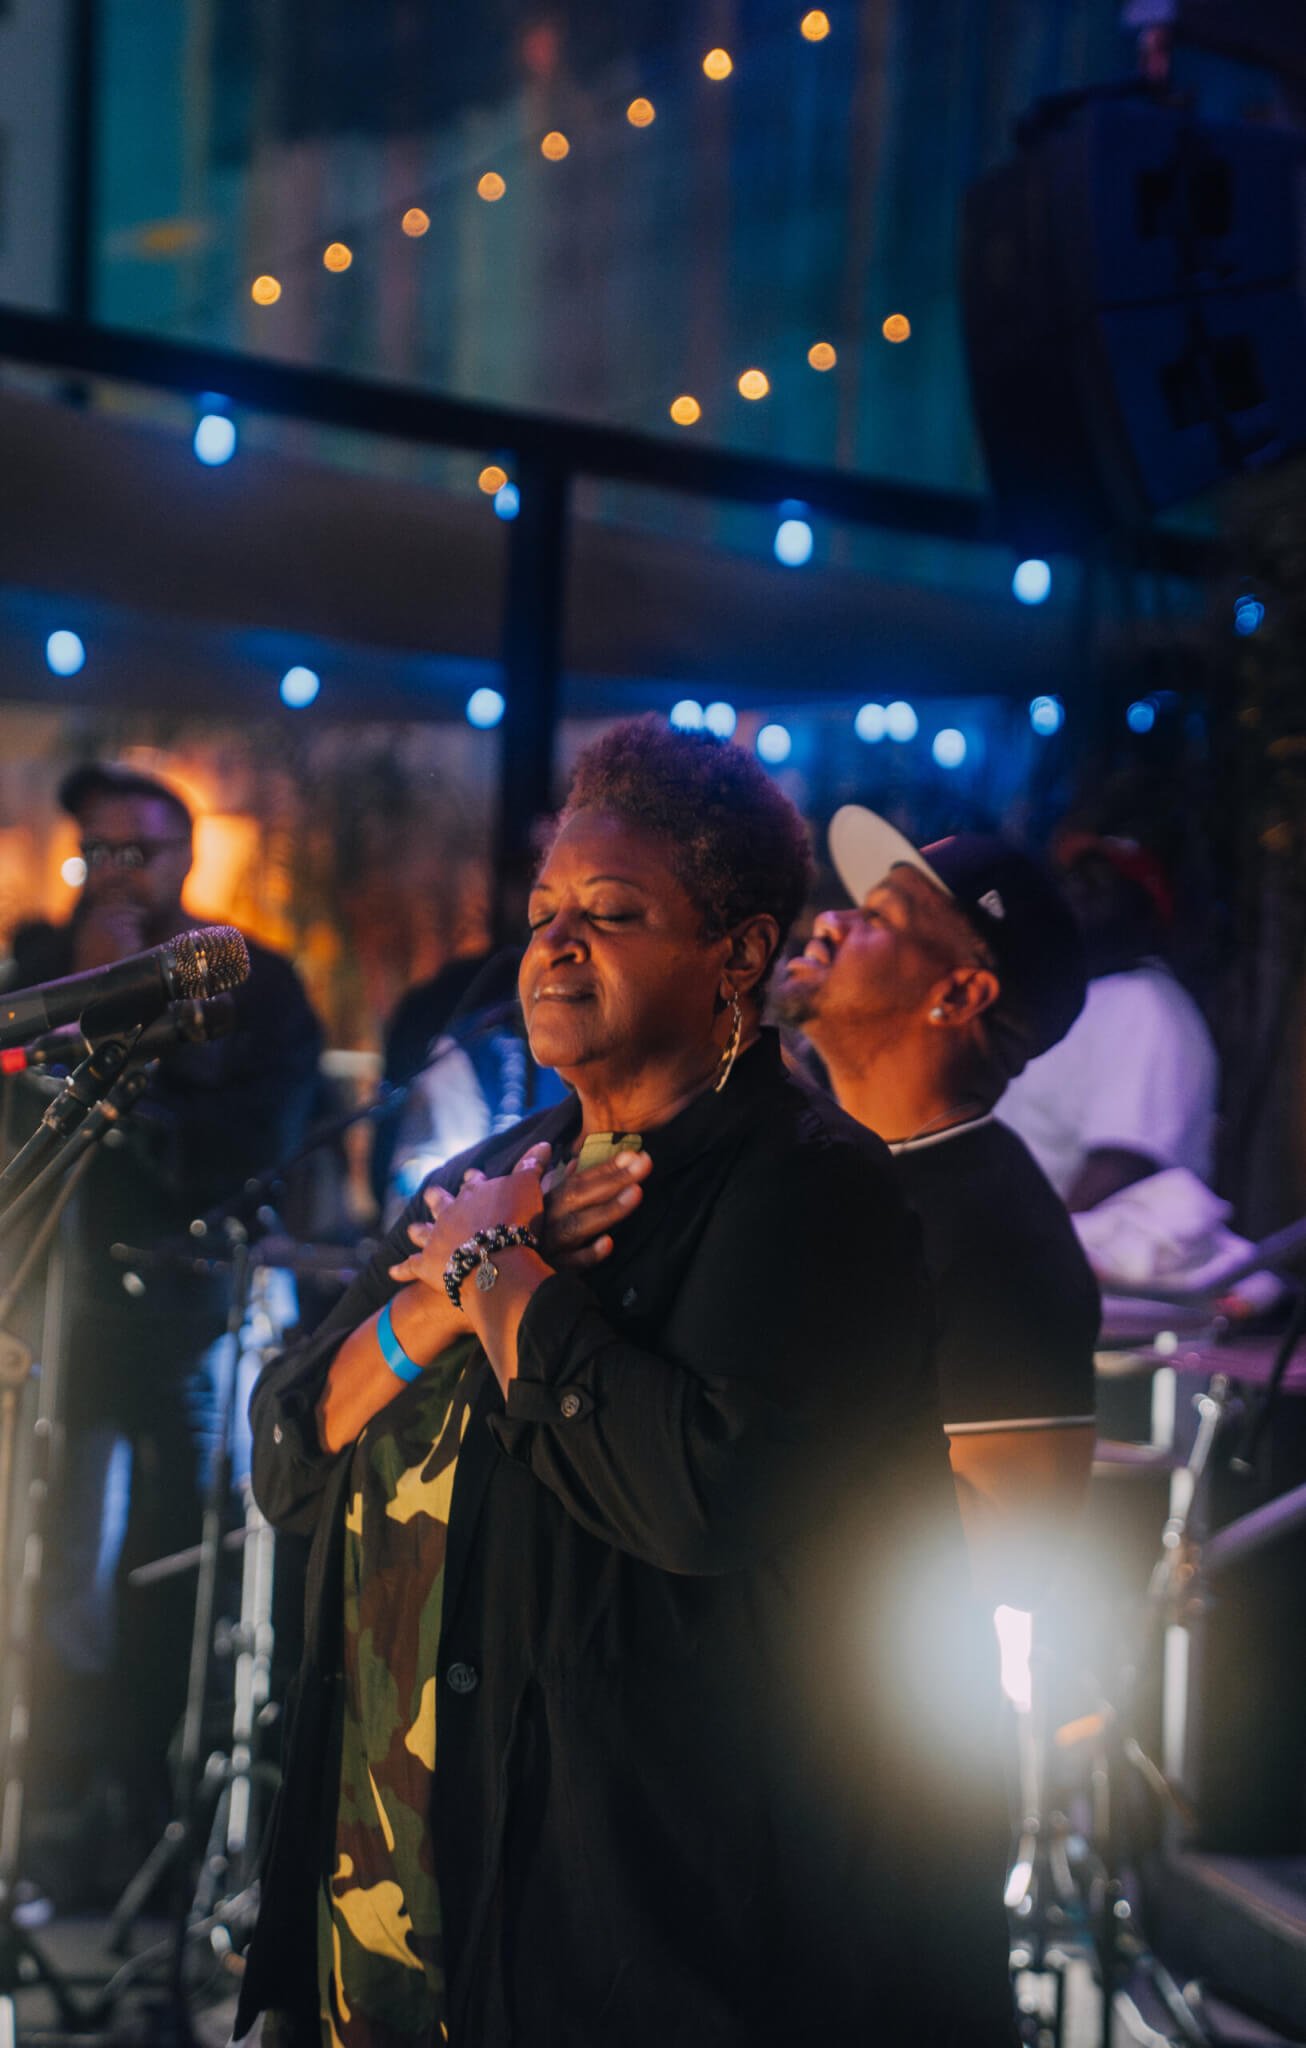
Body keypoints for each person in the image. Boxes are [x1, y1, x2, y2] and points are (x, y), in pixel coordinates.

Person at [237, 720, 1014, 2048]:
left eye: (611, 912)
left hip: (638, 1934)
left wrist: (508, 1285)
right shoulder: (484, 1184)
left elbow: (693, 1495)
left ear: (739, 954)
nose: (554, 942)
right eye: (545, 910)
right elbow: (287, 1449)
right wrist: (438, 1299)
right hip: (392, 1901)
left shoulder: (811, 1189)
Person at [1, 761, 322, 1883]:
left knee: (172, 1566)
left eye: (140, 851)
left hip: (189, 1321)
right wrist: (75, 994)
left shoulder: (249, 986)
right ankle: (49, 1810)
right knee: (53, 1566)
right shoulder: (33, 975)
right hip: (52, 1321)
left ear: (186, 859)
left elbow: (254, 1145)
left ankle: (150, 1814)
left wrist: (126, 1024)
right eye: (99, 850)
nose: (117, 872)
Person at [773, 805, 1100, 1609]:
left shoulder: (998, 1235)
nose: (831, 921)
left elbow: (1009, 1549)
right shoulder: (813, 1161)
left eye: (881, 917)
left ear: (958, 993)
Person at [997, 834, 1219, 1212]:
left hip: (1090, 1243)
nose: (1077, 891)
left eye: (1099, 881)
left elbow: (1120, 1165)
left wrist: (1036, 1243)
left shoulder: (1144, 1005)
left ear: (1145, 909)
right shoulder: (1067, 1000)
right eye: (1072, 879)